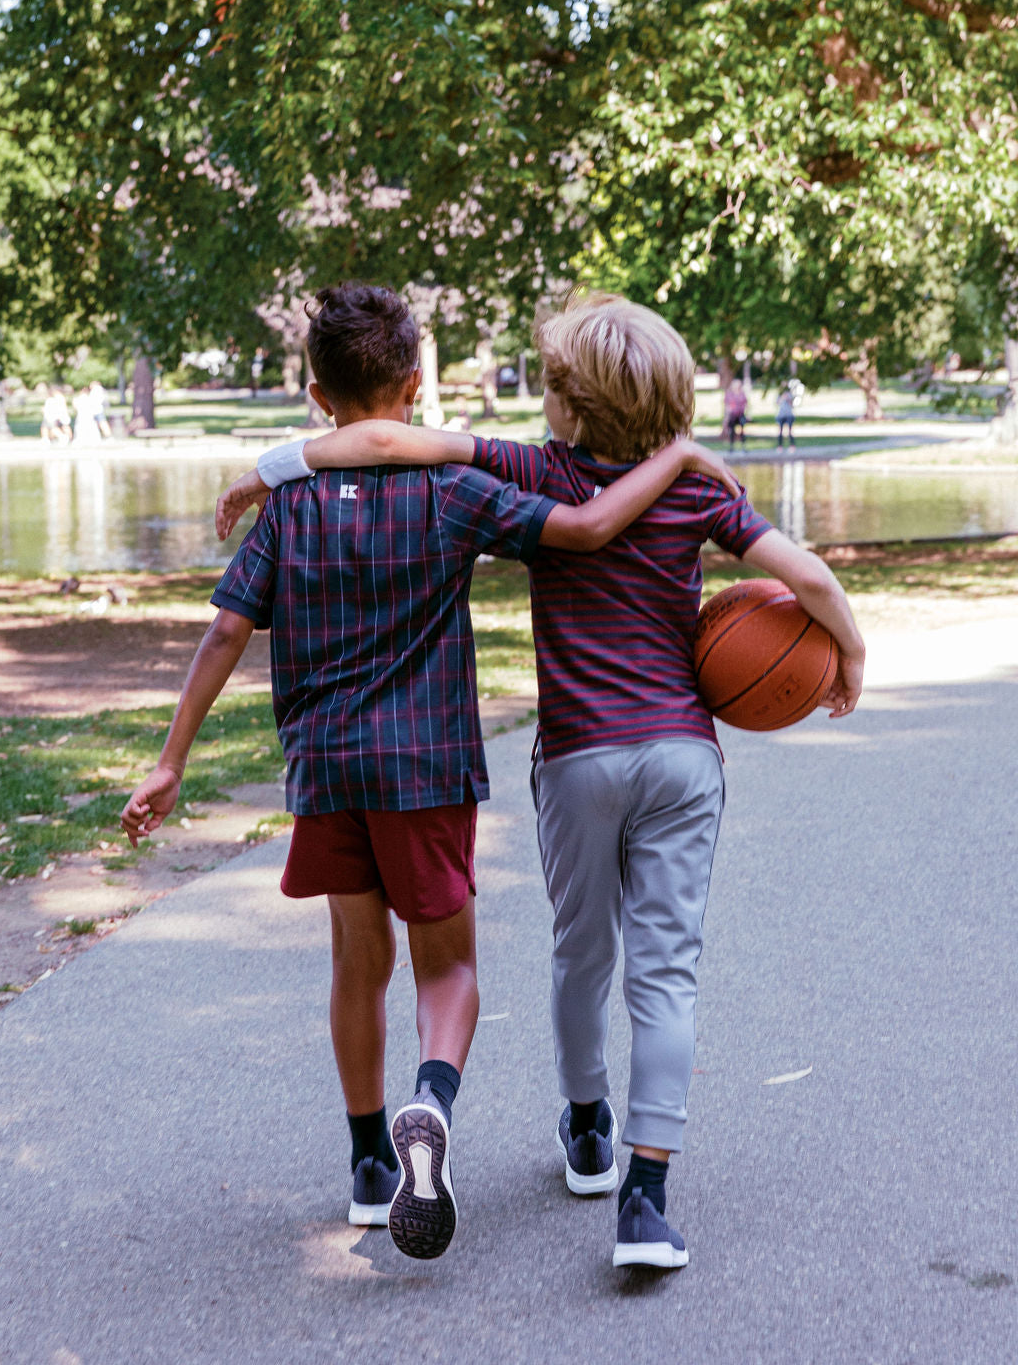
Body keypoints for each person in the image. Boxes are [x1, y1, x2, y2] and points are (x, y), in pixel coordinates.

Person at [219, 291, 865, 1271]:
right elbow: (808, 580)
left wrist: (265, 469)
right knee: (667, 973)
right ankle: (644, 1204)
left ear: (564, 403)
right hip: (685, 756)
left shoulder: (534, 466)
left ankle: (588, 1129)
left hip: (575, 757)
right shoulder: (699, 492)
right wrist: (848, 650)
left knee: (581, 953)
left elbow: (387, 444)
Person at [121, 282, 737, 1265]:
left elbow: (226, 630)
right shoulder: (453, 492)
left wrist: (168, 761)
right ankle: (431, 1102)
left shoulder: (288, 507)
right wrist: (680, 463)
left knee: (355, 969)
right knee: (445, 968)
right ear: (416, 383)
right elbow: (581, 531)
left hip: (325, 771)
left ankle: (370, 1164)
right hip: (427, 769)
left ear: (316, 396)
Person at [722, 376, 747, 447]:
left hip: (740, 414)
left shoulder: (742, 394)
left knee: (742, 429)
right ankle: (731, 446)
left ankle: (743, 445)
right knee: (732, 430)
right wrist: (726, 416)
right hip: (732, 415)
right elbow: (727, 405)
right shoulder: (729, 394)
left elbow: (745, 404)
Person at [776, 381, 797, 448]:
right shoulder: (779, 395)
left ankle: (792, 445)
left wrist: (788, 399)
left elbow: (792, 405)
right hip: (781, 415)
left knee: (790, 431)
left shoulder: (790, 395)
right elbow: (777, 403)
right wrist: (782, 397)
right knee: (780, 431)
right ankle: (780, 446)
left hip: (789, 415)